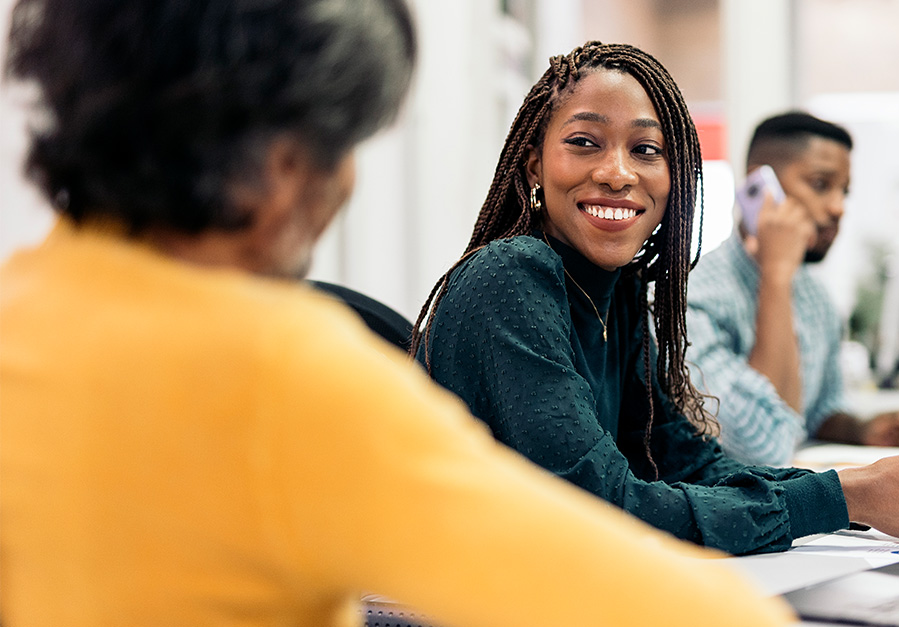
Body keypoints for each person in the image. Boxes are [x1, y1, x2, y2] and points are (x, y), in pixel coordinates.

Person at [0, 3, 798, 626]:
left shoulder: (19, 315)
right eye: (346, 144)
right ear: (283, 166)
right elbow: (679, 605)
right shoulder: (284, 371)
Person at [414, 41, 899, 557]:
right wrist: (849, 499)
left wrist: (867, 486)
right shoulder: (512, 276)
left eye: (646, 149)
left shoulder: (621, 293)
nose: (616, 172)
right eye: (584, 142)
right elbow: (601, 512)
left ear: (674, 178)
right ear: (534, 162)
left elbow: (688, 464)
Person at [686, 112, 899, 467]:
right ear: (759, 188)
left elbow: (817, 413)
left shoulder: (816, 297)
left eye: (844, 191)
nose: (838, 207)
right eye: (820, 184)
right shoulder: (692, 300)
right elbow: (762, 448)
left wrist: (862, 431)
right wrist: (776, 276)